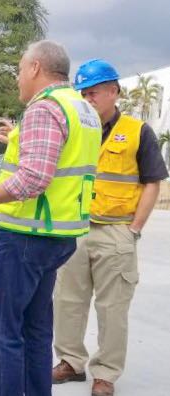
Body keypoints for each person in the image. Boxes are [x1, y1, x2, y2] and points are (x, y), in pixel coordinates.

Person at [0, 40, 102, 396]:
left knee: (2, 330)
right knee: (35, 328)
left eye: (19, 69)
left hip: (26, 235)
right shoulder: (83, 108)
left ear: (35, 68)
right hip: (58, 235)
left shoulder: (45, 108)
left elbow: (33, 178)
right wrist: (18, 137)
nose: (18, 78)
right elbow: (64, 161)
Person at [51, 59, 169, 396]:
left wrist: (134, 230)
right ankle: (71, 362)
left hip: (116, 230)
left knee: (113, 308)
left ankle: (105, 374)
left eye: (94, 93)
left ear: (114, 91)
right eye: (83, 94)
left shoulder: (137, 132)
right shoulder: (74, 129)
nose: (88, 99)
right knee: (67, 301)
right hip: (74, 228)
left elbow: (152, 183)